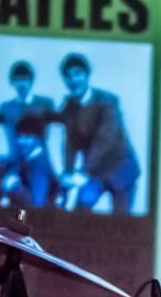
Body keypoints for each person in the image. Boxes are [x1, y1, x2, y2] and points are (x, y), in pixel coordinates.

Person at [56, 52, 140, 213]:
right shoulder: (69, 105)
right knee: (81, 208)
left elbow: (104, 140)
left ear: (87, 75)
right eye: (68, 76)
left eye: (78, 74)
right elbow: (69, 143)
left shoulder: (108, 101)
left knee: (121, 222)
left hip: (120, 170)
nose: (73, 80)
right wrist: (68, 173)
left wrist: (84, 172)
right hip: (95, 172)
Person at [0, 61, 56, 161]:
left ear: (31, 81)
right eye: (17, 79)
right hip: (16, 163)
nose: (21, 84)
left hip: (40, 162)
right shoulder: (6, 108)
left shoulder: (45, 104)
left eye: (24, 79)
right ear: (12, 82)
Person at [0, 114, 58, 208]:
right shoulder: (20, 160)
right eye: (19, 137)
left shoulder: (41, 167)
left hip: (32, 213)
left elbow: (37, 205)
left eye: (26, 137)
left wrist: (17, 189)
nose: (21, 141)